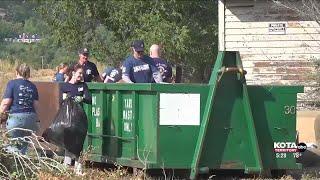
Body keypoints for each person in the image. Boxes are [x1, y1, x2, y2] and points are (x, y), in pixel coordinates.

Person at [0, 63, 40, 154]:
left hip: (16, 118)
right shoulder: (33, 86)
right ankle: (22, 165)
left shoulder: (12, 83)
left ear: (17, 72)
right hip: (30, 118)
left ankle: (14, 165)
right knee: (23, 146)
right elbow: (36, 106)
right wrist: (37, 121)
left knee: (13, 145)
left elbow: (6, 103)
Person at [59, 64, 91, 174]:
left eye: (82, 73)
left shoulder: (83, 85)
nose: (81, 75)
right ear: (73, 73)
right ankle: (66, 167)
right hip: (67, 118)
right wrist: (65, 98)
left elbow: (89, 99)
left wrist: (81, 98)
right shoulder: (64, 86)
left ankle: (78, 169)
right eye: (79, 73)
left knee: (79, 143)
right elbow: (60, 101)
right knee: (68, 142)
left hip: (79, 119)